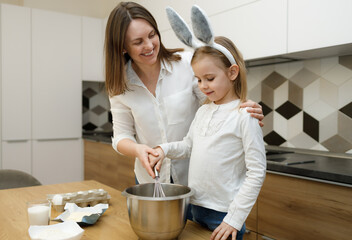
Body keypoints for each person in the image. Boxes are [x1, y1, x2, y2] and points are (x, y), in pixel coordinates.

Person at [104, 1, 264, 185]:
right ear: (123, 47)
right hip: (151, 178)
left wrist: (240, 109)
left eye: (152, 35)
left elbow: (216, 106)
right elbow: (121, 137)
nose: (149, 45)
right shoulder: (119, 86)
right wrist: (138, 149)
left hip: (195, 178)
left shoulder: (187, 64)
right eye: (138, 42)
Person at [149, 36, 266, 240]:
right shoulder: (203, 111)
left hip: (225, 216)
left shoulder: (245, 115)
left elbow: (256, 172)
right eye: (198, 79)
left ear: (232, 72)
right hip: (195, 207)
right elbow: (188, 146)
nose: (203, 86)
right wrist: (163, 149)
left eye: (209, 78)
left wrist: (234, 219)